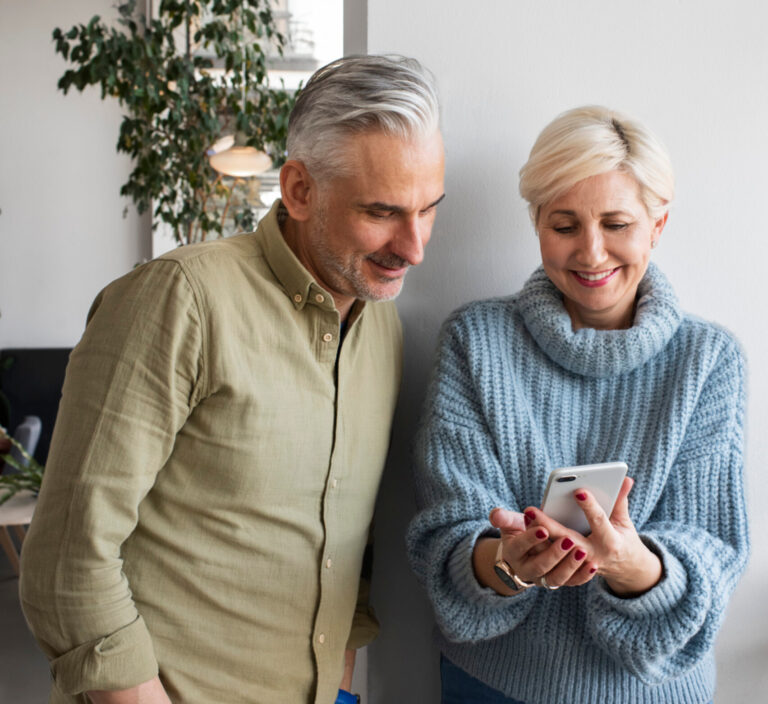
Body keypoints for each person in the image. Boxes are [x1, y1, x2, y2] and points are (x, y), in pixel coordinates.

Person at [20, 54, 445, 704]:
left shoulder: (380, 328)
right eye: (382, 212)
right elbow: (65, 557)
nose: (413, 248)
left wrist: (340, 688)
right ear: (299, 190)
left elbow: (343, 544)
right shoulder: (178, 300)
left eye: (429, 210)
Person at [406, 105, 748, 704]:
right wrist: (509, 563)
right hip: (495, 686)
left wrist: (631, 565)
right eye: (564, 226)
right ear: (536, 220)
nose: (591, 254)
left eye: (616, 223)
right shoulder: (475, 341)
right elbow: (448, 534)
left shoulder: (709, 360)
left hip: (656, 692)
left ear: (657, 225)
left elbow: (710, 550)